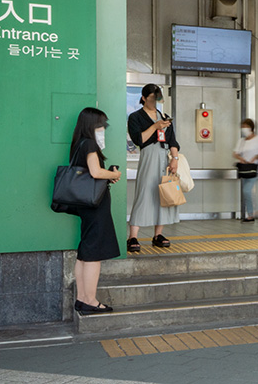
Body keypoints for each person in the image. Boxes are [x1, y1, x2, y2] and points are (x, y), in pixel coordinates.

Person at [70, 107, 122, 315]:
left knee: (84, 253)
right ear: (92, 125)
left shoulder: (78, 144)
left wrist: (108, 175)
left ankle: (81, 299)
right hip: (95, 206)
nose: (103, 129)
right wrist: (112, 174)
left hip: (84, 205)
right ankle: (90, 300)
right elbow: (95, 171)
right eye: (101, 125)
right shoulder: (90, 143)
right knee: (93, 254)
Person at [127, 84, 181, 251]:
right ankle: (133, 236)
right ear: (144, 98)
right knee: (144, 192)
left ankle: (158, 234)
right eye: (151, 98)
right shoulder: (135, 117)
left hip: (165, 156)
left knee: (163, 193)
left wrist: (175, 159)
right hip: (149, 155)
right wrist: (155, 126)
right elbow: (139, 140)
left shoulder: (164, 116)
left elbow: (172, 141)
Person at [233, 118, 258, 222]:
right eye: (242, 127)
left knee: (246, 191)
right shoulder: (241, 141)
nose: (243, 129)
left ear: (251, 128)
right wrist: (241, 159)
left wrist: (256, 156)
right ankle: (251, 214)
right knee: (246, 192)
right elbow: (235, 153)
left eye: (245, 127)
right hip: (244, 169)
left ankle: (253, 212)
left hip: (254, 169)